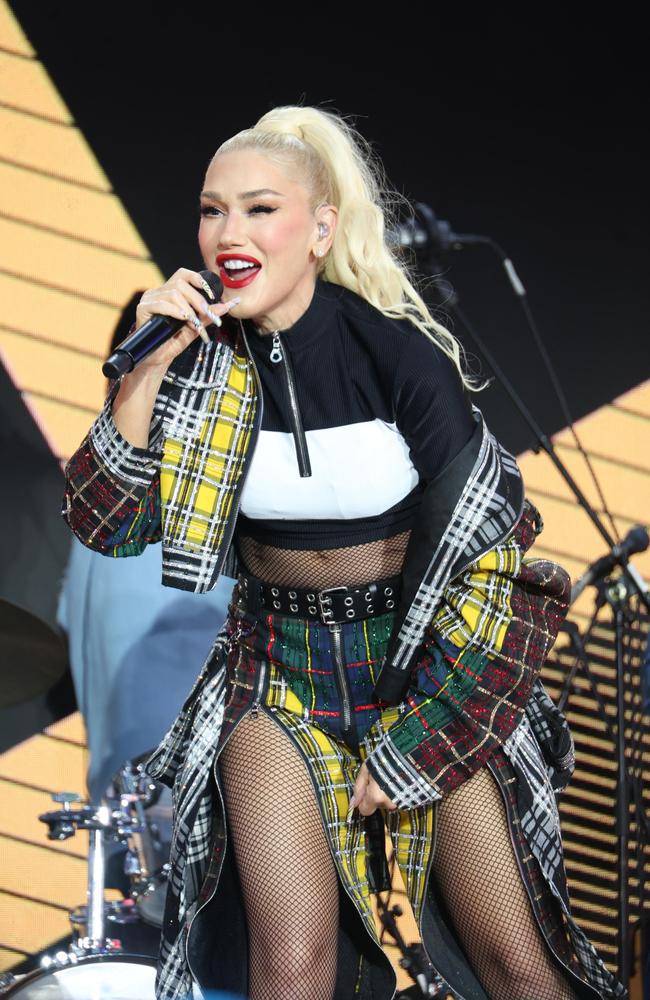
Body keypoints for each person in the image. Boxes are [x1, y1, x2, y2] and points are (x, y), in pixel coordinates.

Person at [61, 106, 625, 1000]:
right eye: (212, 212)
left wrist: (420, 742)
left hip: (423, 665)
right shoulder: (198, 368)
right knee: (291, 966)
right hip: (276, 675)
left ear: (320, 229)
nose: (227, 234)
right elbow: (107, 524)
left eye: (258, 209)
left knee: (514, 961)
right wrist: (145, 371)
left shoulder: (394, 355)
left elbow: (498, 561)